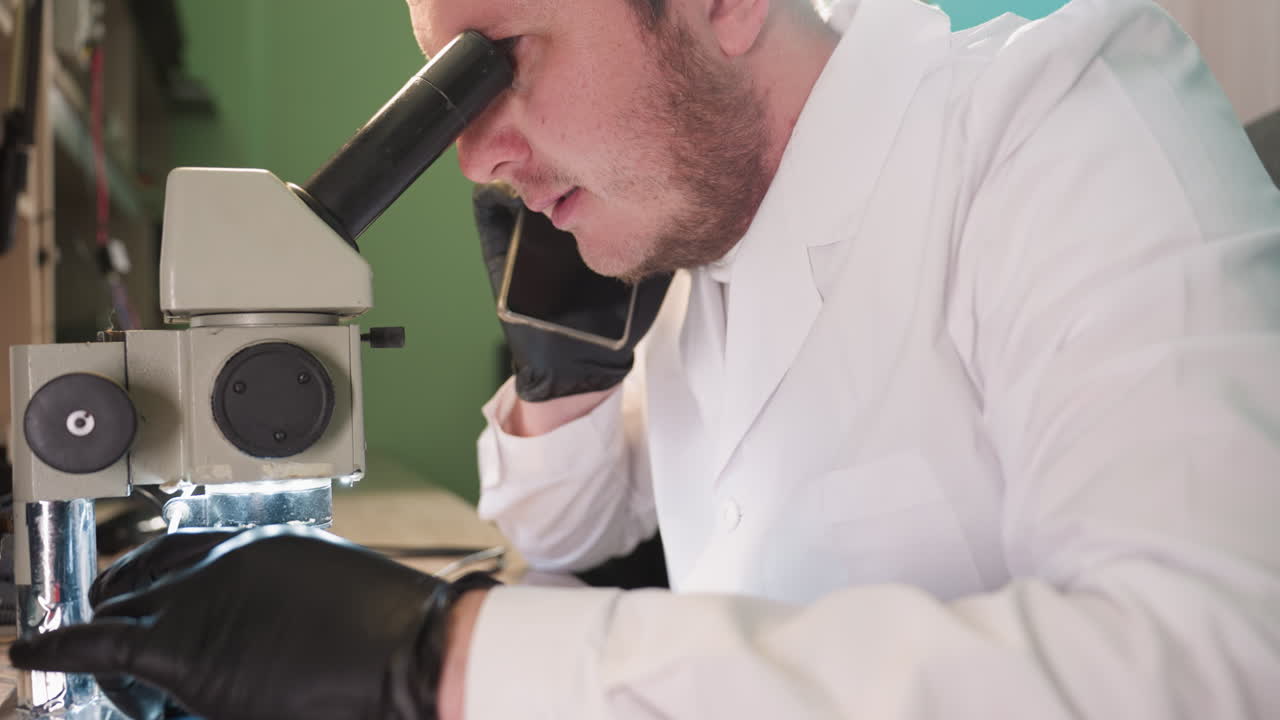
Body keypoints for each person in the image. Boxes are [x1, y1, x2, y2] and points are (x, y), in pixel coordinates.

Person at [12, 0, 1280, 718]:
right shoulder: (708, 253)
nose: (473, 153)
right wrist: (554, 358)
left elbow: (1211, 668)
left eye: (492, 67)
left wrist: (433, 662)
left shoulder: (1059, 126)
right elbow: (561, 527)